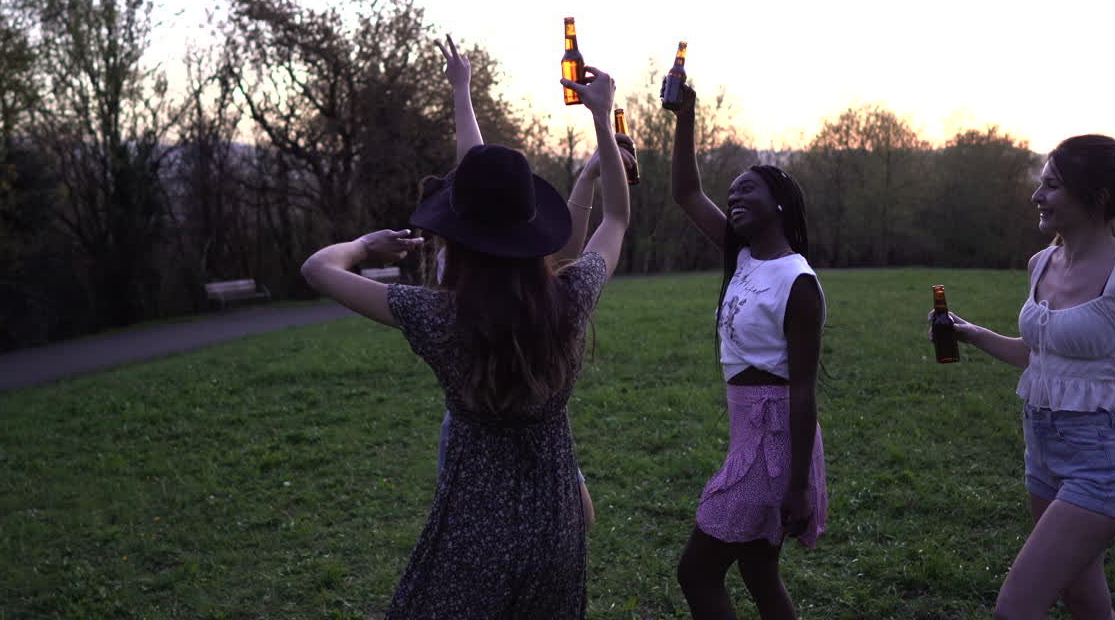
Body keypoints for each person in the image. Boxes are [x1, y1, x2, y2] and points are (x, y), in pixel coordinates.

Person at [299, 47, 629, 617]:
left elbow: (316, 269)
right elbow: (617, 218)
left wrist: (364, 245)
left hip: (474, 531)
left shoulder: (437, 317)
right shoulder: (570, 298)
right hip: (556, 525)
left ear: (458, 237)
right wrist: (602, 117)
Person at [935, 134, 1115, 619]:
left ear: (1095, 197)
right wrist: (968, 333)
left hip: (1101, 463)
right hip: (1042, 456)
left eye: (1052, 186)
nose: (1038, 196)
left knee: (1013, 609)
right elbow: (1037, 357)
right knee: (1085, 604)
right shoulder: (1040, 263)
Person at [422, 35, 639, 530]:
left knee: (489, 534)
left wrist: (462, 91)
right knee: (563, 523)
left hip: (485, 423)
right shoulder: (549, 291)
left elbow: (474, 163)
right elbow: (611, 223)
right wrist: (602, 123)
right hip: (520, 428)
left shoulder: (453, 280)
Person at [666, 82, 828, 619]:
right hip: (749, 437)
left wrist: (798, 486)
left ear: (778, 203)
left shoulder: (797, 282)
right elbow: (687, 193)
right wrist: (685, 117)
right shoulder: (743, 259)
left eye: (746, 192)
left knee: (697, 572)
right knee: (759, 572)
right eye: (731, 194)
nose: (734, 200)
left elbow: (803, 391)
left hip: (773, 444)